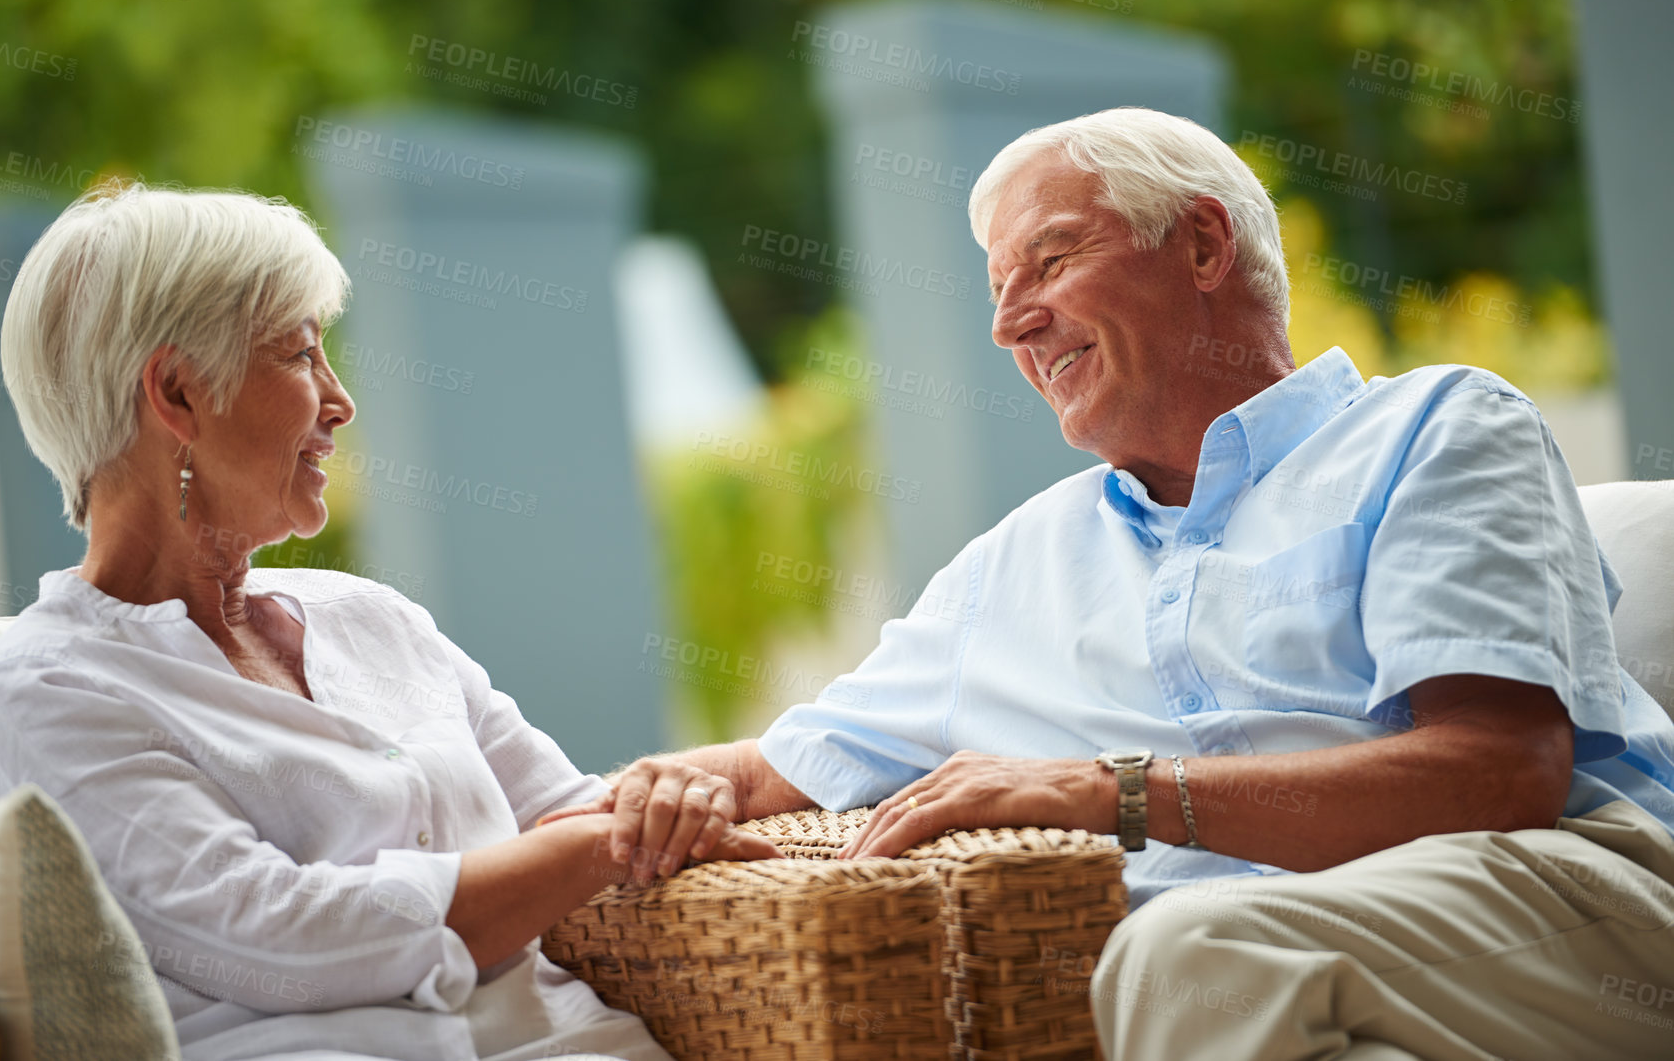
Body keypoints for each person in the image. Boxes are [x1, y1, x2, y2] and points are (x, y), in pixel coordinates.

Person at [554, 109, 1674, 1060]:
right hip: (1257, 970)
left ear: (1199, 247)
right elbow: (770, 771)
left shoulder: (1436, 428)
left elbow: (1501, 772)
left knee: (1202, 947)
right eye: (1000, 290)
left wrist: (1110, 791)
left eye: (1048, 261)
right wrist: (662, 788)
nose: (1009, 324)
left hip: (1570, 886)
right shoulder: (1013, 564)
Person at [0, 182, 780, 1061]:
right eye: (299, 355)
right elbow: (280, 935)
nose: (339, 400)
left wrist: (660, 802)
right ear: (175, 392)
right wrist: (607, 838)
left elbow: (571, 813)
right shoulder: (57, 687)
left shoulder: (373, 619)